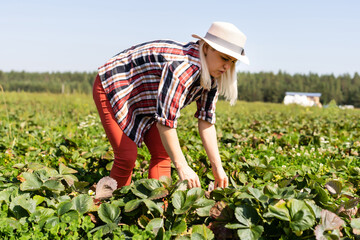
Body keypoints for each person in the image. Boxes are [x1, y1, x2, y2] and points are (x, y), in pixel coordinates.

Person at [92, 21, 249, 189]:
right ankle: (105, 205)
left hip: (148, 99)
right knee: (126, 156)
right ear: (206, 48)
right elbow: (165, 122)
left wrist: (218, 168)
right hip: (115, 85)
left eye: (232, 61)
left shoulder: (212, 77)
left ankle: (158, 209)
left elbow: (206, 122)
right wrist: (182, 167)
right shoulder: (182, 68)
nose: (227, 66)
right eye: (224, 58)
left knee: (162, 153)